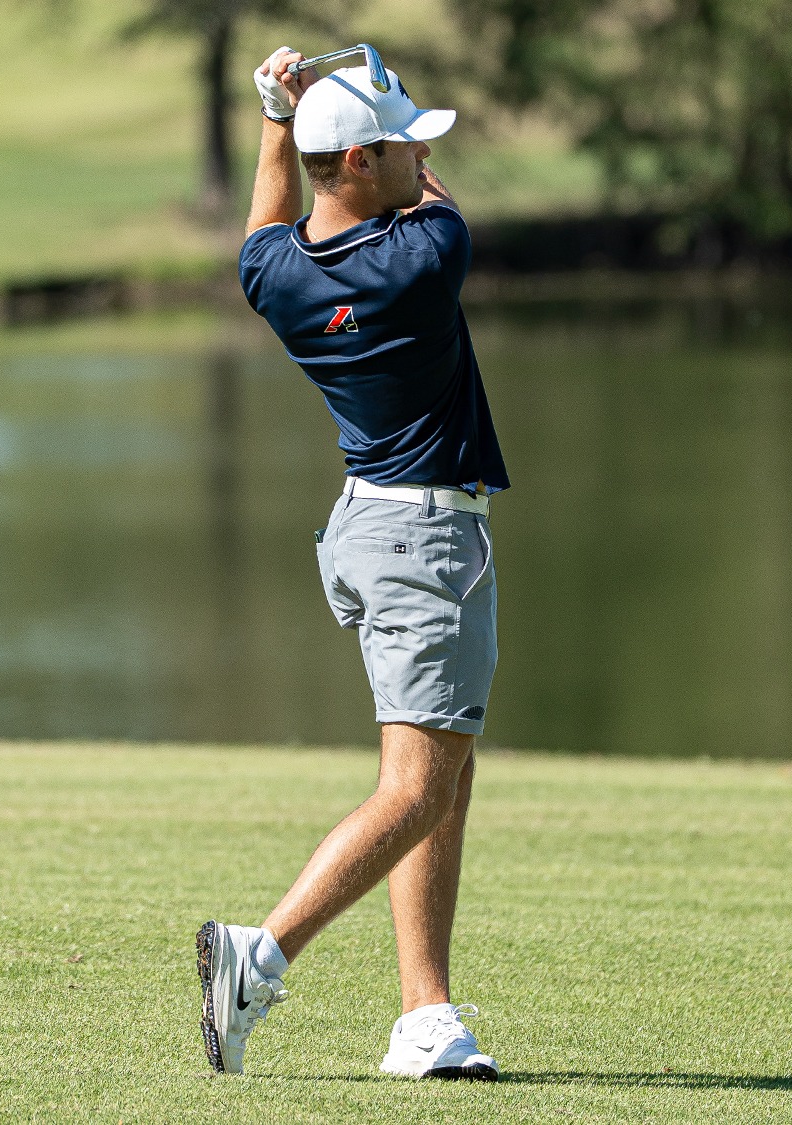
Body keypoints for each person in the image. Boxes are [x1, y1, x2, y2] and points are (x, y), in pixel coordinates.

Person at [195, 46, 509, 1081]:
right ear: (367, 160)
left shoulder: (275, 279)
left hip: (369, 531)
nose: (428, 164)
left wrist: (276, 120)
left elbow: (264, 223)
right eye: (409, 147)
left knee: (442, 774)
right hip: (424, 541)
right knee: (418, 785)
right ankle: (262, 953)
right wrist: (295, 120)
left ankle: (426, 1017)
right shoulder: (426, 253)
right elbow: (431, 198)